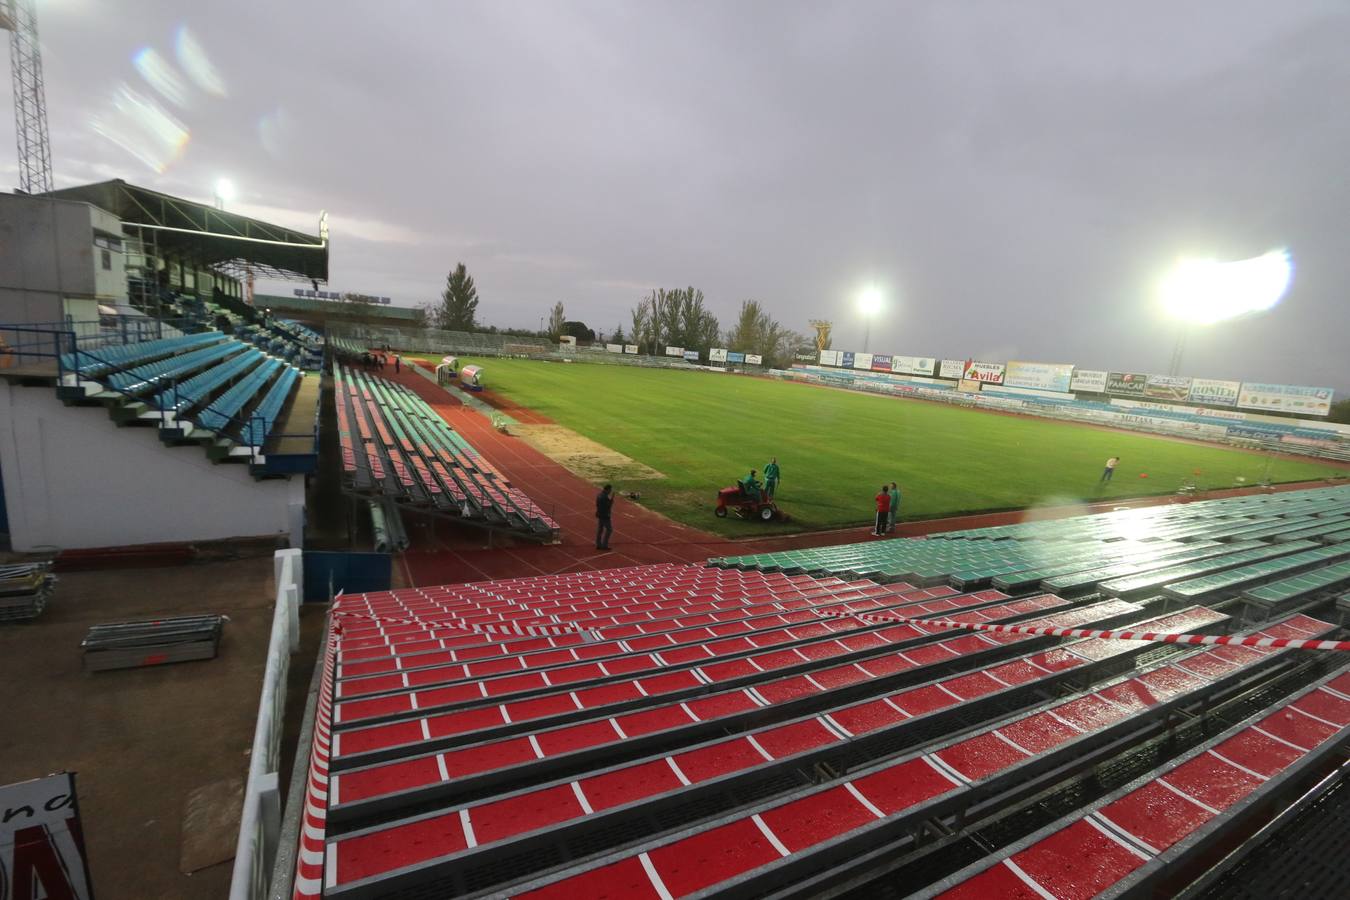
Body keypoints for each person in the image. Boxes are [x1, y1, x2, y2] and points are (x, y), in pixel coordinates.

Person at [595, 484, 615, 550]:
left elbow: (597, 504)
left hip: (599, 514)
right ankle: (604, 545)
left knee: (600, 529)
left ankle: (598, 544)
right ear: (607, 489)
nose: (610, 491)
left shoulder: (599, 495)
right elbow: (608, 506)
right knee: (609, 530)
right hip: (605, 515)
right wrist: (612, 499)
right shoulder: (605, 497)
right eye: (610, 490)